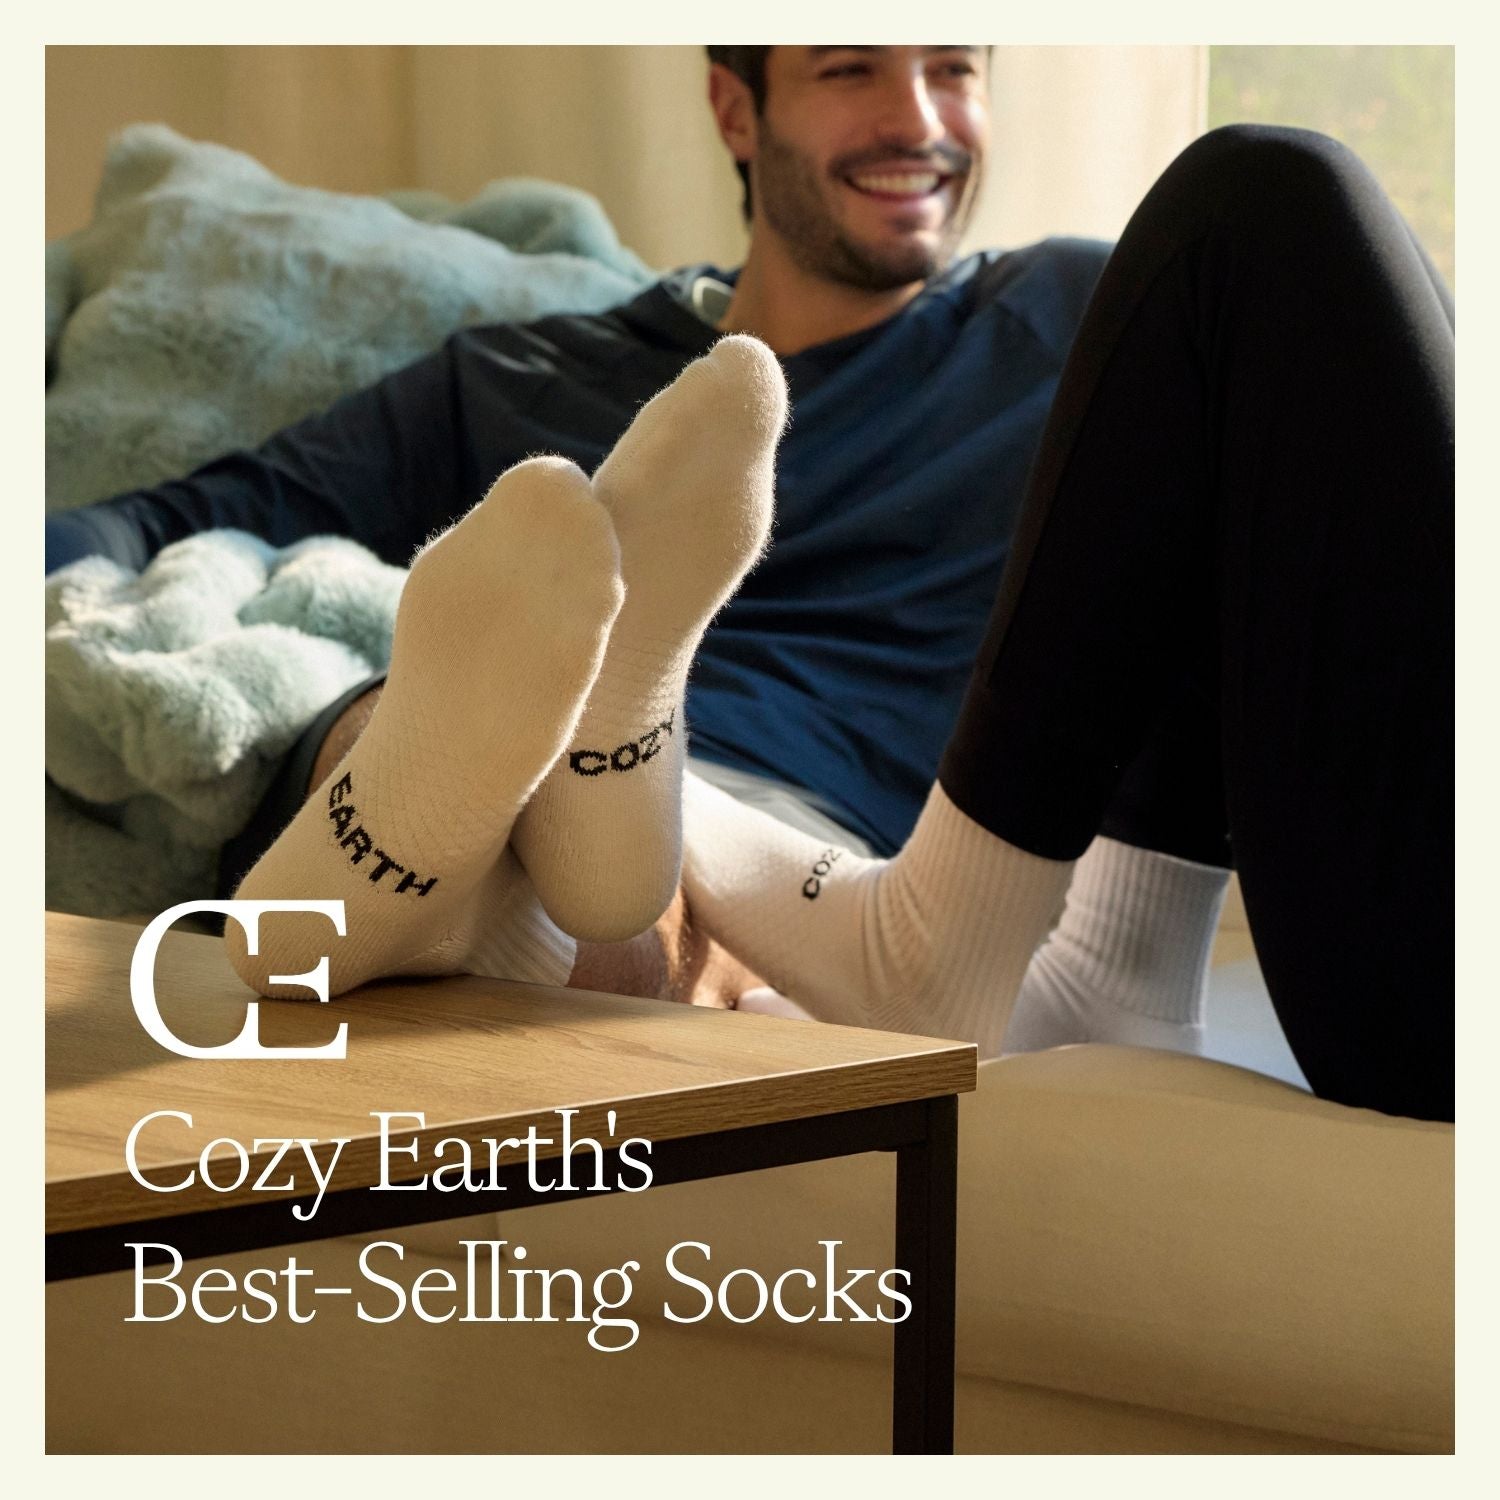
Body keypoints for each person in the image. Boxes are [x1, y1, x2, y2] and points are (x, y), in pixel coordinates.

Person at [51, 46, 1237, 1049]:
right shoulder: (520, 374)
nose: (917, 120)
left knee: (607, 871)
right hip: (471, 745)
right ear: (737, 110)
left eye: (953, 71)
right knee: (418, 720)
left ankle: (526, 805)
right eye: (852, 70)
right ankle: (514, 778)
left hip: (794, 846)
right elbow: (170, 519)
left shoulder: (1077, 325)